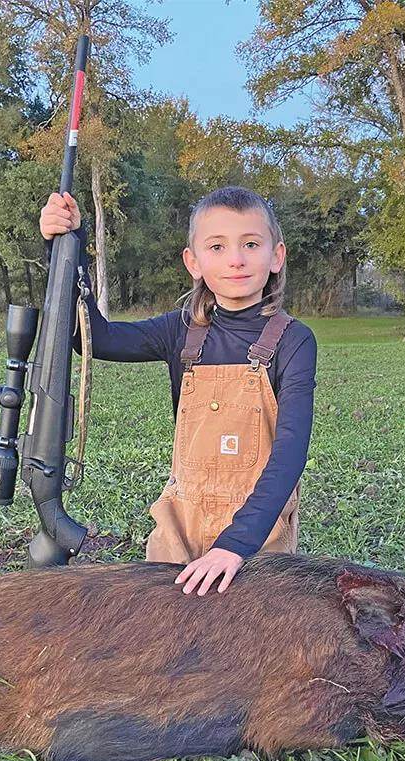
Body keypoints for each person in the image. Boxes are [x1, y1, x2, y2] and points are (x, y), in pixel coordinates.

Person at [39, 186, 317, 596]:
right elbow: (93, 336)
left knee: (246, 641)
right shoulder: (181, 330)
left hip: (259, 529)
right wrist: (66, 248)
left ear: (277, 256)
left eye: (251, 244)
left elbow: (289, 453)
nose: (236, 259)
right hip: (180, 521)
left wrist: (236, 546)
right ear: (194, 262)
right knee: (163, 632)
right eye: (217, 246)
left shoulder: (294, 341)